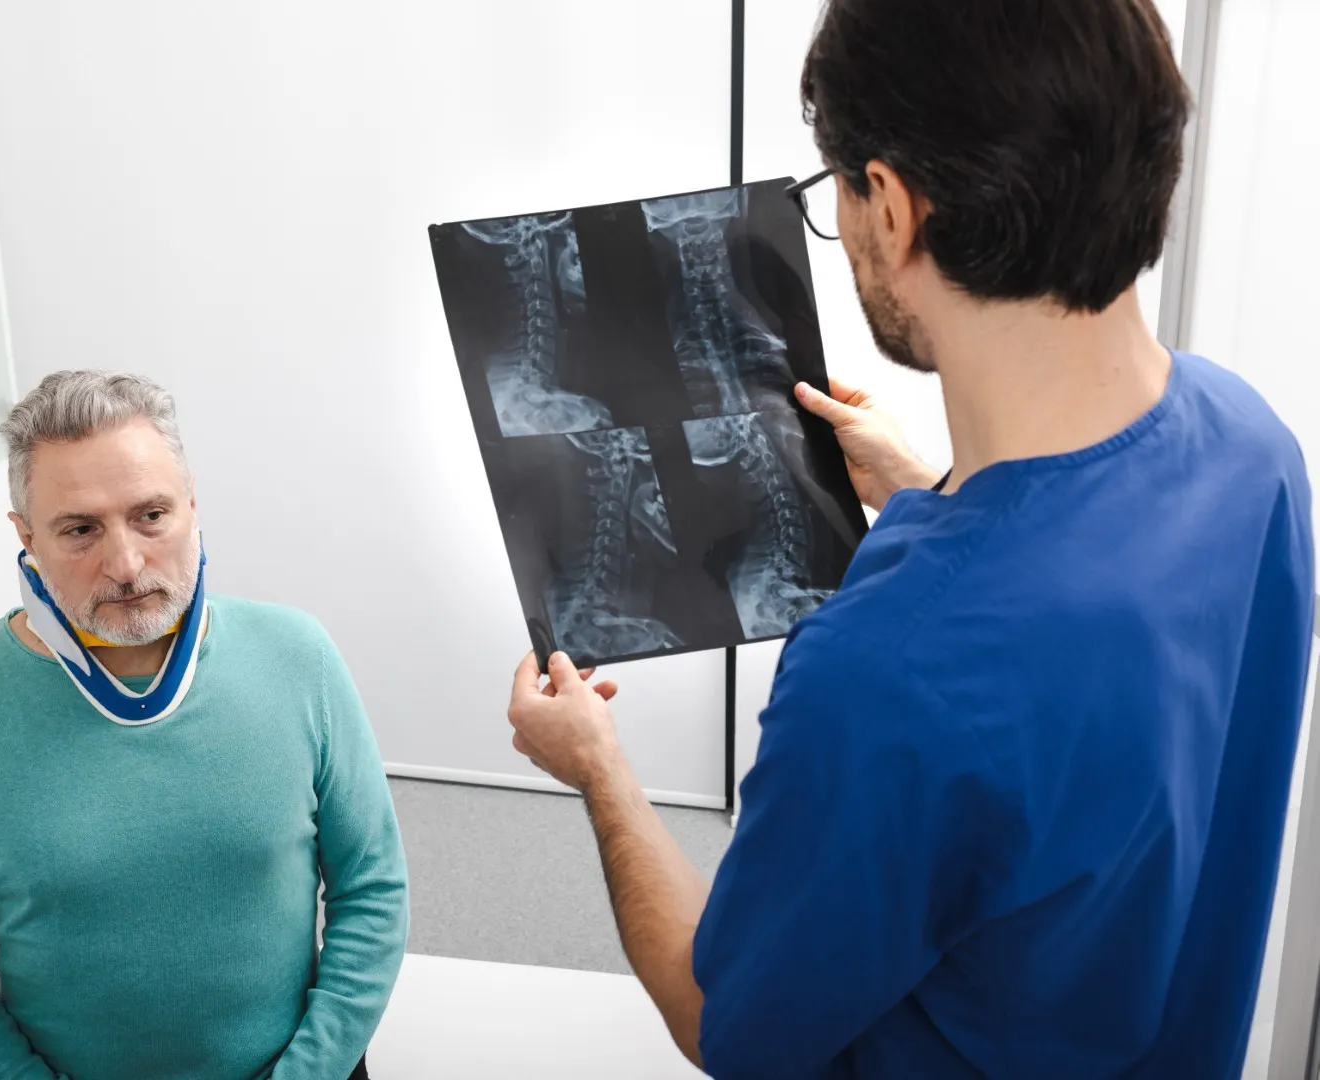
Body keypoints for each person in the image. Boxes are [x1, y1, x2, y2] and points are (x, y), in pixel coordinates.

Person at [506, 1, 1314, 1077]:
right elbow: (1088, 668)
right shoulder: (1253, 451)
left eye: (832, 189)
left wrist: (598, 770)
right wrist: (928, 488)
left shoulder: (888, 668)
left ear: (889, 205)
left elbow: (722, 1019)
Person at [0, 371, 407, 1080]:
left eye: (151, 515)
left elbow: (372, 888)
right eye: (79, 530)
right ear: (26, 536)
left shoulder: (300, 658)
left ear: (191, 505)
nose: (126, 564)